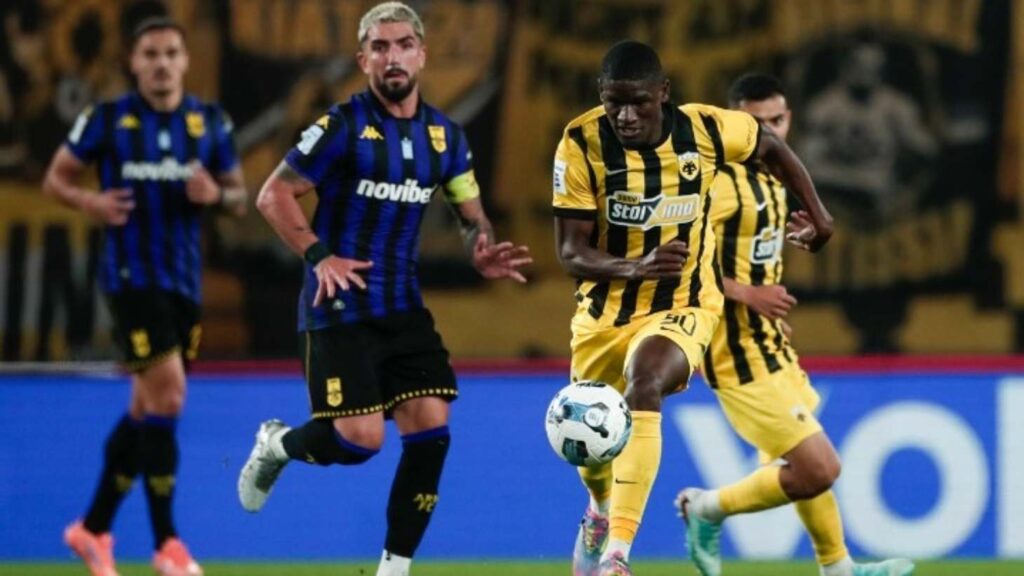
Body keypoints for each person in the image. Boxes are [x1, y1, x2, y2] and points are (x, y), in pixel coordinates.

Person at [237, 3, 530, 576]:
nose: (392, 56)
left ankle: (393, 570)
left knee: (432, 429)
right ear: (362, 59)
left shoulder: (446, 138)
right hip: (338, 305)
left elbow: (471, 215)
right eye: (379, 47)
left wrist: (481, 245)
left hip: (402, 308)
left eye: (402, 45)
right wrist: (319, 256)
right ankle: (277, 445)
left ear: (421, 54)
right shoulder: (342, 127)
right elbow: (273, 194)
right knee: (359, 442)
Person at [552, 41, 833, 576]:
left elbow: (771, 145)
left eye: (638, 102)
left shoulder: (704, 130)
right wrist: (636, 267)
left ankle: (617, 554)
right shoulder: (580, 143)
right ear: (601, 96)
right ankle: (599, 509)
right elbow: (570, 252)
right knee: (594, 453)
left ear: (663, 93)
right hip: (603, 314)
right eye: (614, 102)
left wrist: (820, 217)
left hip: (685, 302)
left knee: (646, 381)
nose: (625, 116)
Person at [673, 73, 914, 576]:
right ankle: (705, 508)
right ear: (734, 124)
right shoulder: (718, 183)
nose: (768, 132)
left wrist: (768, 308)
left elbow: (750, 259)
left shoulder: (775, 180)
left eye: (776, 120)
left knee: (799, 466)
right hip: (735, 355)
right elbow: (677, 260)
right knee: (819, 467)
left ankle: (838, 568)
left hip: (768, 345)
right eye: (755, 123)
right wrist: (747, 295)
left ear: (790, 118)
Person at [42, 16, 247, 576]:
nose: (161, 63)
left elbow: (240, 198)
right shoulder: (107, 120)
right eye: (150, 54)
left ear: (185, 61)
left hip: (184, 284)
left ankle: (92, 529)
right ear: (133, 63)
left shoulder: (209, 122)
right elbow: (56, 178)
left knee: (147, 407)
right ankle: (167, 545)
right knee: (171, 396)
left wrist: (217, 194)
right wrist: (90, 203)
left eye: (171, 53)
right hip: (131, 280)